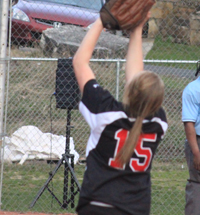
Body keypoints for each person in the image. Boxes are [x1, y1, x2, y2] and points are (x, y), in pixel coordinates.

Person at [72, 13, 168, 215]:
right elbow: (136, 81)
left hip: (98, 206)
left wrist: (101, 20)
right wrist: (137, 29)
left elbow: (80, 62)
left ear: (131, 90)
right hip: (136, 209)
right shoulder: (159, 122)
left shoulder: (107, 113)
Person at [182, 68, 200, 215]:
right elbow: (189, 123)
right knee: (197, 184)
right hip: (198, 142)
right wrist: (196, 152)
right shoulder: (193, 89)